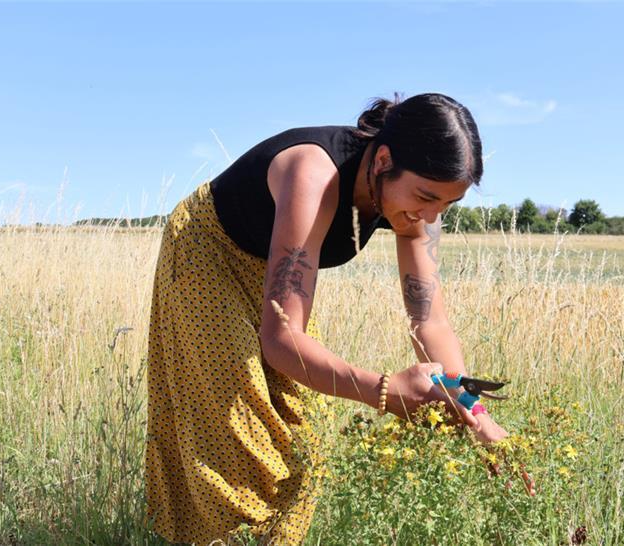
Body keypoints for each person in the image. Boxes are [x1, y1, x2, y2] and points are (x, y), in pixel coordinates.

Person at [144, 92, 509, 546]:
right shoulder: (313, 175)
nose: (430, 217)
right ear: (382, 161)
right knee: (239, 438)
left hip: (275, 270)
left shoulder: (417, 206)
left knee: (306, 442)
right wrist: (384, 391)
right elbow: (282, 341)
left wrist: (475, 414)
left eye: (446, 206)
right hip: (208, 253)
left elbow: (429, 321)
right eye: (425, 197)